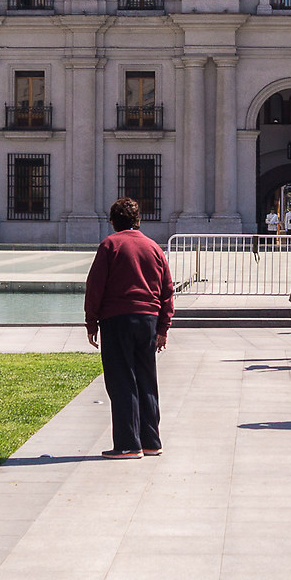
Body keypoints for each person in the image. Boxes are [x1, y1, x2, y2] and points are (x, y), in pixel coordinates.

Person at [84, 196, 174, 457]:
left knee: (121, 380)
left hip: (117, 319)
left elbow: (95, 287)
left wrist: (91, 322)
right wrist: (163, 328)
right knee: (146, 380)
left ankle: (127, 444)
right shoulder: (153, 247)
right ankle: (151, 441)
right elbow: (167, 290)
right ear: (138, 220)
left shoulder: (110, 245)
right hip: (147, 320)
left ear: (113, 222)